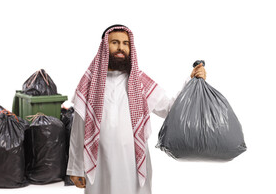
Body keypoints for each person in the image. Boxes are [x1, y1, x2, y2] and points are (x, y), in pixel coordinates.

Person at [66, 24, 206, 194]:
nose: (121, 48)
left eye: (125, 43)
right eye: (115, 42)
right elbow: (78, 129)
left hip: (133, 161)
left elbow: (170, 109)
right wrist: (75, 168)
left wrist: (191, 83)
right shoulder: (89, 82)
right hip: (99, 162)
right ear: (104, 47)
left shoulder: (139, 81)